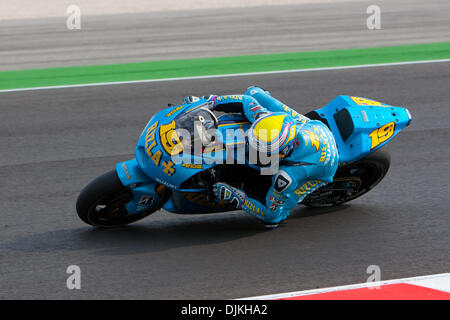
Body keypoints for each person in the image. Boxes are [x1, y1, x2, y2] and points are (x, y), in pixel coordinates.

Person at [186, 86, 339, 228]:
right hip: (311, 126)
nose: (252, 151)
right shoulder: (264, 118)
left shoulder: (287, 176)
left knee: (276, 214)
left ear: (282, 154)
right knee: (253, 92)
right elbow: (246, 101)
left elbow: (271, 215)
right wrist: (206, 103)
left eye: (260, 152)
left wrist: (236, 196)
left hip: (325, 165)